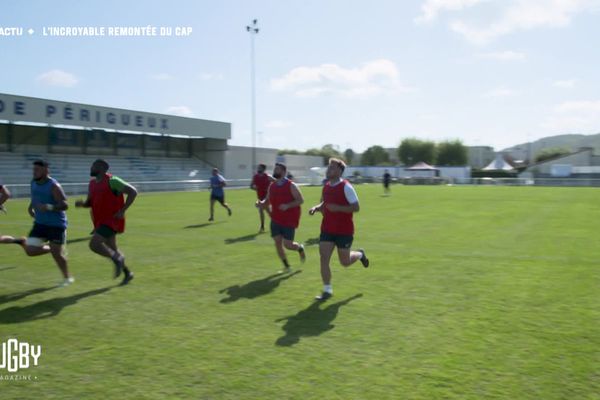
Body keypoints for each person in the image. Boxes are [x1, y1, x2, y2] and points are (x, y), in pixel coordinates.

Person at [309, 158, 369, 301]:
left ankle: (360, 254)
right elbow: (325, 203)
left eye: (332, 168)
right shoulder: (326, 186)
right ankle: (327, 290)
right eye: (328, 167)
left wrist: (338, 208)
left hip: (344, 231)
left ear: (339, 171)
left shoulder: (346, 187)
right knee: (324, 258)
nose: (328, 170)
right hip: (327, 229)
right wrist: (316, 208)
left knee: (345, 262)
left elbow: (356, 207)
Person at [75, 159, 137, 285]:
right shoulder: (92, 184)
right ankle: (128, 273)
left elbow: (133, 192)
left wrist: (122, 210)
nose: (91, 168)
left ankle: (117, 259)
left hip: (112, 220)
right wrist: (83, 204)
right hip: (100, 222)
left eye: (93, 166)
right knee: (112, 249)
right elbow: (90, 203)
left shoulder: (112, 181)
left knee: (94, 244)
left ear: (102, 168)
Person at [19, 160, 74, 287]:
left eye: (37, 170)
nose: (34, 172)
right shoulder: (33, 182)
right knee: (30, 251)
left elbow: (65, 205)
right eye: (34, 170)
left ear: (46, 170)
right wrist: (30, 207)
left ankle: (67, 278)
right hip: (40, 223)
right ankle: (53, 248)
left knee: (57, 256)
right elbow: (35, 197)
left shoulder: (54, 186)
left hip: (56, 225)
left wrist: (48, 207)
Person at [257, 163, 306, 273]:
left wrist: (287, 205)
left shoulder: (291, 185)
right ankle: (287, 266)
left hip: (289, 220)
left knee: (287, 245)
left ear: (283, 172)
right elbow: (267, 202)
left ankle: (300, 248)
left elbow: (300, 200)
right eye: (275, 169)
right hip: (275, 219)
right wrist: (260, 203)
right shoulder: (272, 186)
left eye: (278, 169)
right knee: (278, 243)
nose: (275, 170)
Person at [251, 163, 275, 233]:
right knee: (269, 212)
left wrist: (271, 190)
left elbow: (276, 182)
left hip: (267, 196)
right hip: (260, 196)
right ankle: (277, 224)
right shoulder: (255, 177)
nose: (258, 169)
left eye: (260, 168)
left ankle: (262, 227)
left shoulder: (268, 176)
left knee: (261, 210)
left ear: (263, 169)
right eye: (258, 167)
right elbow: (251, 186)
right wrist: (255, 188)